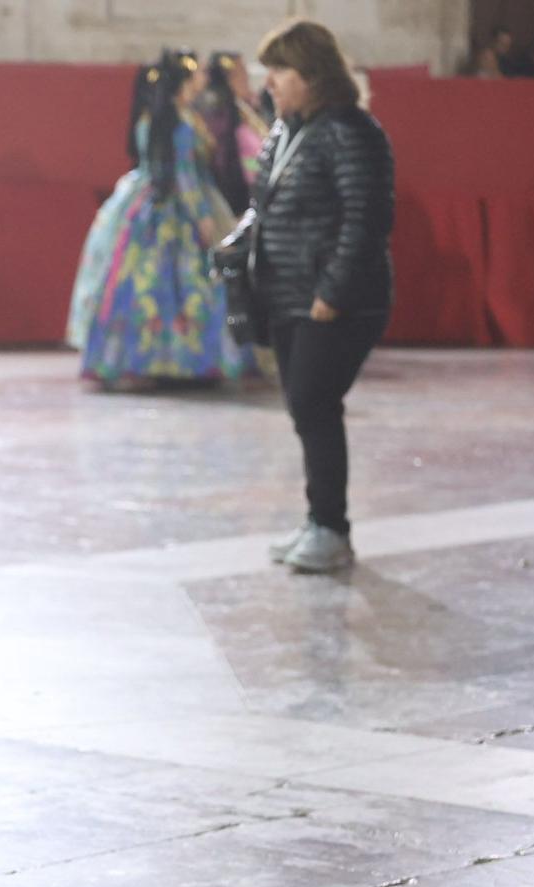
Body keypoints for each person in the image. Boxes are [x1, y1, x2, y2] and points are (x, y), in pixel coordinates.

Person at [227, 20, 393, 574]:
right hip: (286, 292)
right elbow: (263, 203)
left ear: (313, 74)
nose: (268, 81)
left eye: (280, 70)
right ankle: (319, 521)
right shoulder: (285, 130)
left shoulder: (352, 130)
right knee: (306, 408)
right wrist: (239, 241)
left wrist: (334, 292)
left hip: (335, 300)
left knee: (314, 404)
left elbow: (366, 220)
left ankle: (331, 529)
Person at [69, 50, 254, 386]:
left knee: (137, 283)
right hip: (178, 210)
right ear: (183, 80)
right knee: (185, 283)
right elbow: (184, 175)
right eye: (196, 73)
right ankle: (187, 359)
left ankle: (132, 357)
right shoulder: (180, 123)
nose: (202, 79)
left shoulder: (153, 117)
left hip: (142, 204)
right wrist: (203, 217)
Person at [200, 52, 270, 214]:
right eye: (241, 73)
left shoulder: (244, 108)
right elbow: (228, 161)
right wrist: (259, 167)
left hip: (255, 190)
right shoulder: (221, 114)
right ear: (227, 78)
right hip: (237, 198)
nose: (246, 77)